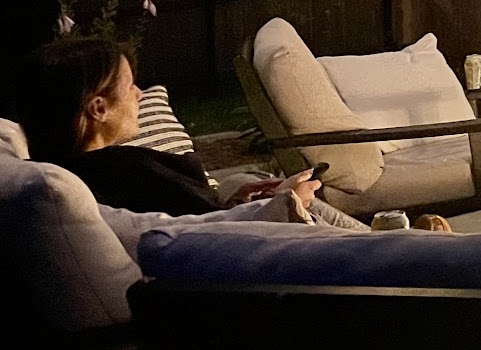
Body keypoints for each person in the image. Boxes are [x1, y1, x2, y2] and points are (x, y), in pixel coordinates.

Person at [16, 37, 429, 229]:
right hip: (254, 265)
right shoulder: (121, 171)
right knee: (300, 196)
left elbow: (186, 216)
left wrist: (233, 202)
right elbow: (201, 233)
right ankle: (396, 244)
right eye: (129, 87)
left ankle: (390, 238)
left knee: (259, 182)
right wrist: (279, 206)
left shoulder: (80, 172)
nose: (139, 94)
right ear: (98, 109)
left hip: (230, 229)